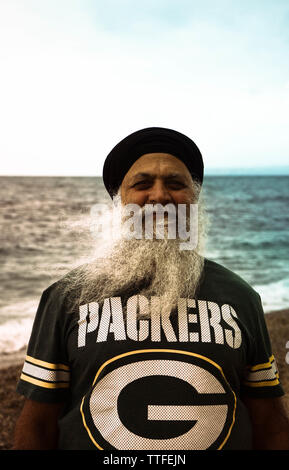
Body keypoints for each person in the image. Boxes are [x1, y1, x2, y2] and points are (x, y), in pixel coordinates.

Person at [14, 127, 289, 450]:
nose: (159, 196)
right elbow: (38, 424)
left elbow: (269, 423)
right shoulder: (67, 296)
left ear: (194, 198)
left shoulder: (240, 296)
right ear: (120, 201)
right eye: (142, 184)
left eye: (175, 184)